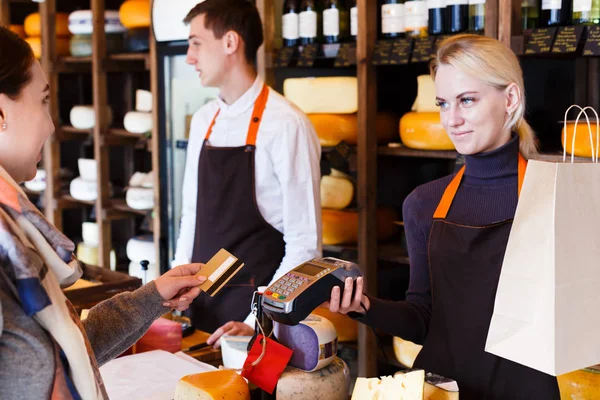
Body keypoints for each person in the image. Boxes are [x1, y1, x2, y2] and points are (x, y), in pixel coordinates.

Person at [325, 34, 560, 399]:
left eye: (467, 100)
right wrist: (363, 307)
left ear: (510, 99)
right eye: (443, 103)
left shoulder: (555, 197)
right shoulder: (424, 204)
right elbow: (422, 319)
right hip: (446, 391)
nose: (452, 120)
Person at [0, 27, 207, 400]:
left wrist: (153, 296)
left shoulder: (16, 238)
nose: (50, 125)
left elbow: (67, 354)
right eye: (43, 102)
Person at [173, 0, 322, 346]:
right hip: (199, 309)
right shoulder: (203, 121)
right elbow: (191, 216)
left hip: (255, 324)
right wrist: (176, 283)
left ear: (230, 43)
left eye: (195, 43)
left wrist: (258, 320)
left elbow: (304, 245)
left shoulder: (287, 124)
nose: (189, 58)